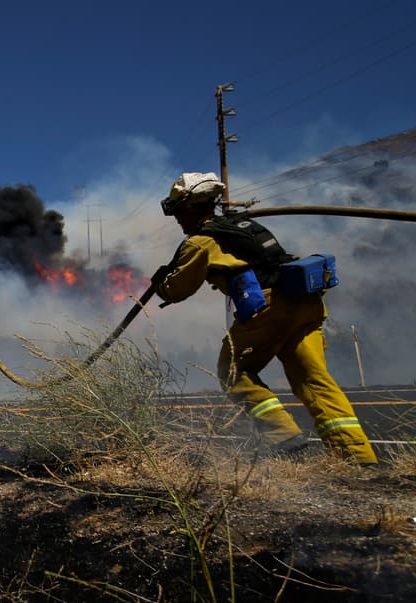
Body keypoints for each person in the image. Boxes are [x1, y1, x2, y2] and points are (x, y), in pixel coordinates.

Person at [151, 172, 378, 465]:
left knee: (233, 371)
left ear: (191, 206)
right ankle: (358, 457)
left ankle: (282, 436)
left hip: (271, 308)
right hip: (305, 304)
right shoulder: (245, 226)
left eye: (178, 211)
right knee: (314, 379)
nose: (177, 219)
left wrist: (160, 280)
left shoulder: (200, 242)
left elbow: (176, 290)